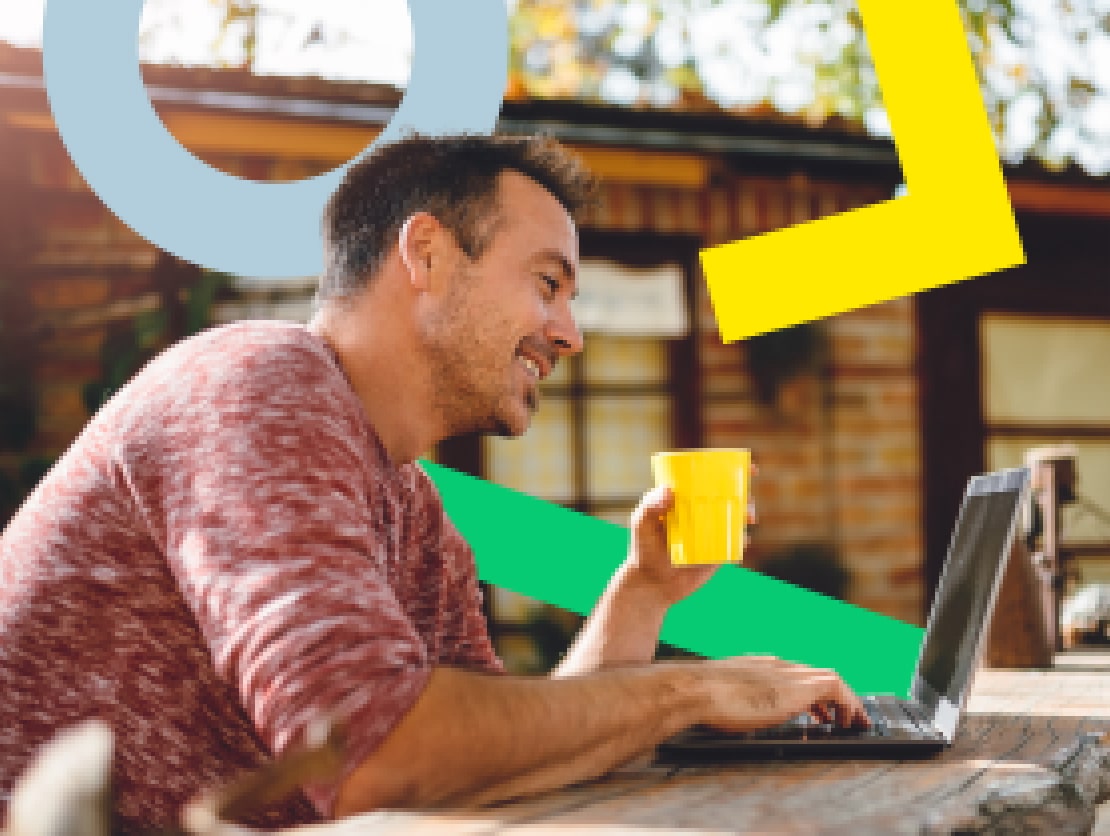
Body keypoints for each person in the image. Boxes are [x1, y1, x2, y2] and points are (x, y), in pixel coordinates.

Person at [0, 134, 866, 832]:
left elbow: (491, 752)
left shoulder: (413, 506)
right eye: (547, 284)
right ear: (426, 254)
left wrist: (640, 598)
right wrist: (693, 690)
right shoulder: (256, 384)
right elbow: (383, 759)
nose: (569, 334)